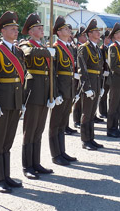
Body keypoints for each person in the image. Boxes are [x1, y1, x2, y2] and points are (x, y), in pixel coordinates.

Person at [0, 11, 26, 193]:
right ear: (3, 31)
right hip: (1, 102)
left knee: (8, 141)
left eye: (17, 28)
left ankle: (6, 176)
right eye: (12, 28)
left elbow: (21, 78)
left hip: (15, 101)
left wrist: (22, 101)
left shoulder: (17, 51)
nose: (16, 31)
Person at [19, 13, 54, 180]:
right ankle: (27, 166)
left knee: (39, 130)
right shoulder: (26, 44)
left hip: (44, 90)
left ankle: (36, 162)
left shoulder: (44, 45)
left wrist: (52, 94)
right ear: (31, 31)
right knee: (30, 130)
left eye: (41, 28)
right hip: (33, 91)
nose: (41, 30)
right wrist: (47, 51)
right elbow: (29, 53)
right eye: (38, 28)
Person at [49, 16, 78, 166]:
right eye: (66, 29)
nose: (69, 31)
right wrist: (56, 93)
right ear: (59, 32)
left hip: (69, 88)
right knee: (55, 124)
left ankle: (62, 151)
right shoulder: (56, 48)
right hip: (61, 89)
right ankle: (56, 154)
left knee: (62, 123)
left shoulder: (67, 47)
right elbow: (53, 73)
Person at [77, 19, 104, 150]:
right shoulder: (84, 48)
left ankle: (91, 138)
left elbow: (100, 68)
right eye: (96, 31)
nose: (98, 33)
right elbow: (82, 69)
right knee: (86, 113)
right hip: (89, 83)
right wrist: (86, 87)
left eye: (98, 31)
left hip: (97, 81)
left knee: (92, 113)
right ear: (89, 34)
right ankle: (85, 140)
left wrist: (102, 85)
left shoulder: (97, 48)